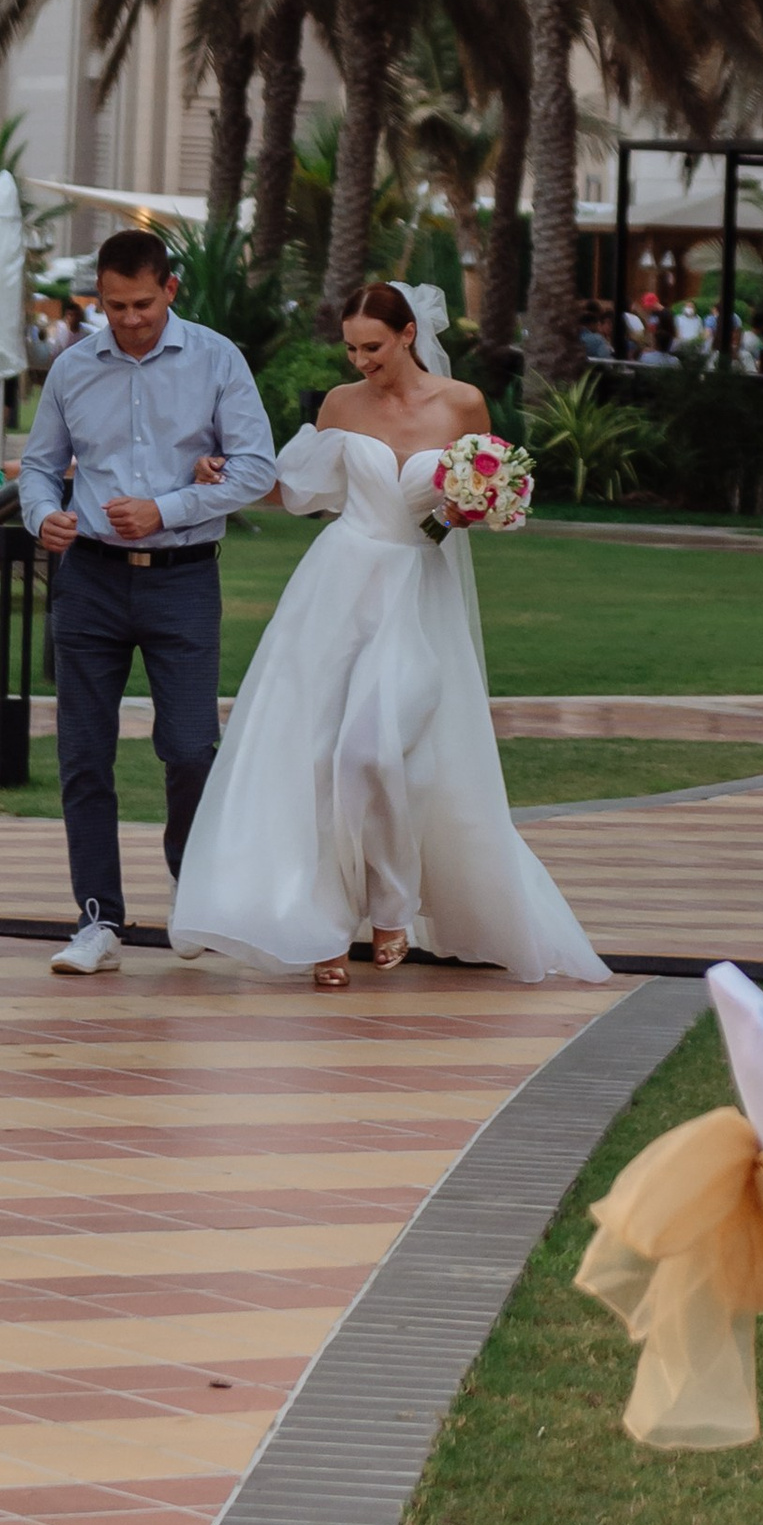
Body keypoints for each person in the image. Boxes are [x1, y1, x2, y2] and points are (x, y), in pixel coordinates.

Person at [169, 281, 606, 993]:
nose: (360, 358)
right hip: (337, 588)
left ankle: (393, 907)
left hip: (416, 590)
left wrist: (479, 508)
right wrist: (236, 476)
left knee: (376, 750)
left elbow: (488, 488)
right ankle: (322, 928)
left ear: (408, 335)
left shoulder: (461, 402)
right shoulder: (342, 404)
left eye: (372, 345)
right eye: (350, 346)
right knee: (315, 758)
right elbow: (301, 489)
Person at [18, 225, 275, 976]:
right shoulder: (71, 367)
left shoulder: (218, 359)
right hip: (89, 579)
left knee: (193, 747)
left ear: (170, 288)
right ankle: (97, 918)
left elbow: (257, 468)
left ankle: (191, 893)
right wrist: (45, 516)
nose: (126, 318)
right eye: (110, 304)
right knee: (83, 753)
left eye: (139, 303)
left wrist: (168, 507)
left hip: (183, 577)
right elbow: (38, 467)